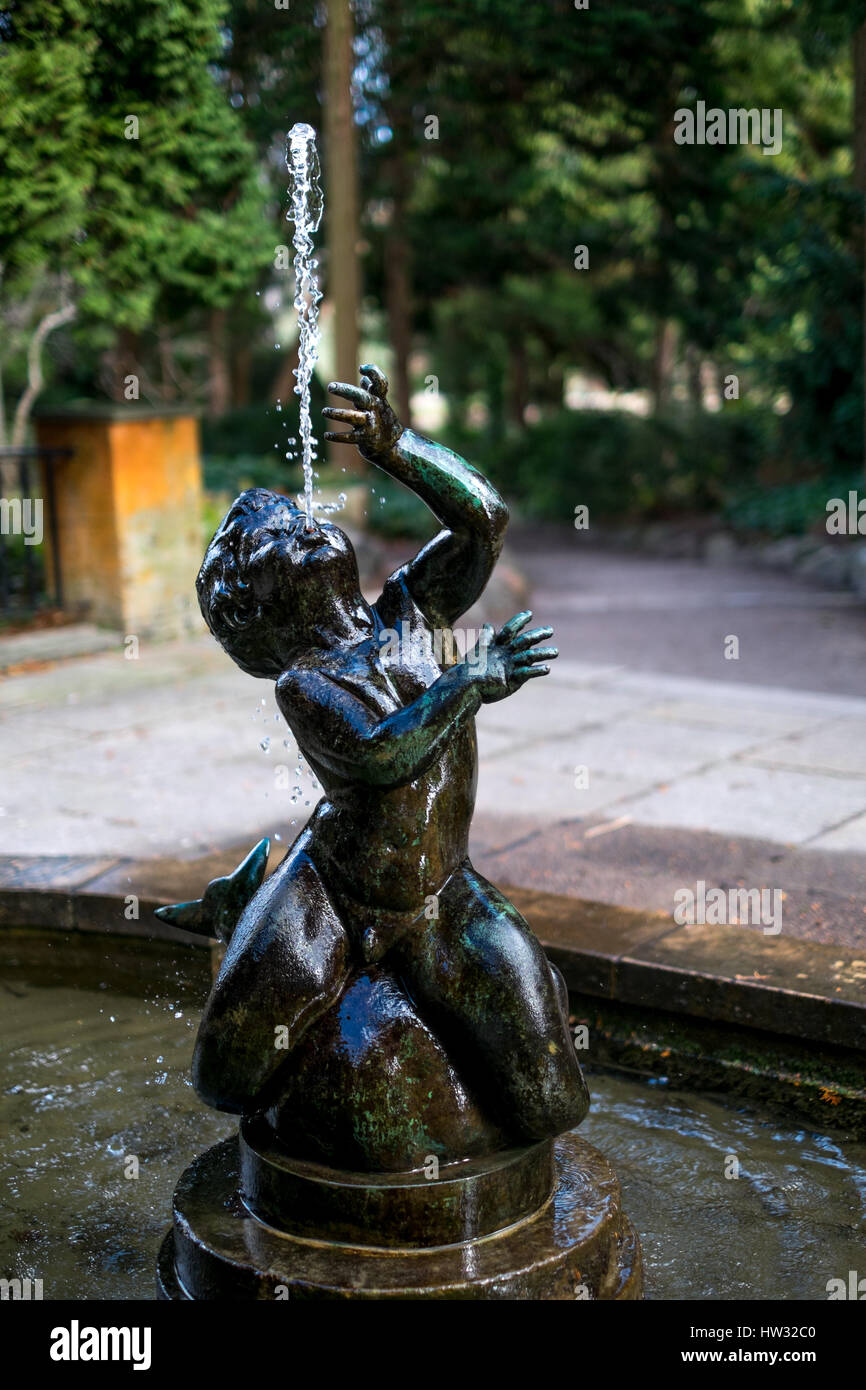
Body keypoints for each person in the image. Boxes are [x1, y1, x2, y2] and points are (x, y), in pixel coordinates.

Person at [190, 364, 589, 1145]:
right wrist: (468, 681)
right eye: (275, 544)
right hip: (333, 894)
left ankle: (241, 914)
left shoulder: (413, 607)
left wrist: (397, 446)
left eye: (295, 519)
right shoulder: (303, 684)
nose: (300, 525)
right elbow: (377, 756)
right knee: (226, 1072)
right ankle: (245, 915)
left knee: (549, 1102)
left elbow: (486, 520)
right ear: (261, 611)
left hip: (442, 892)